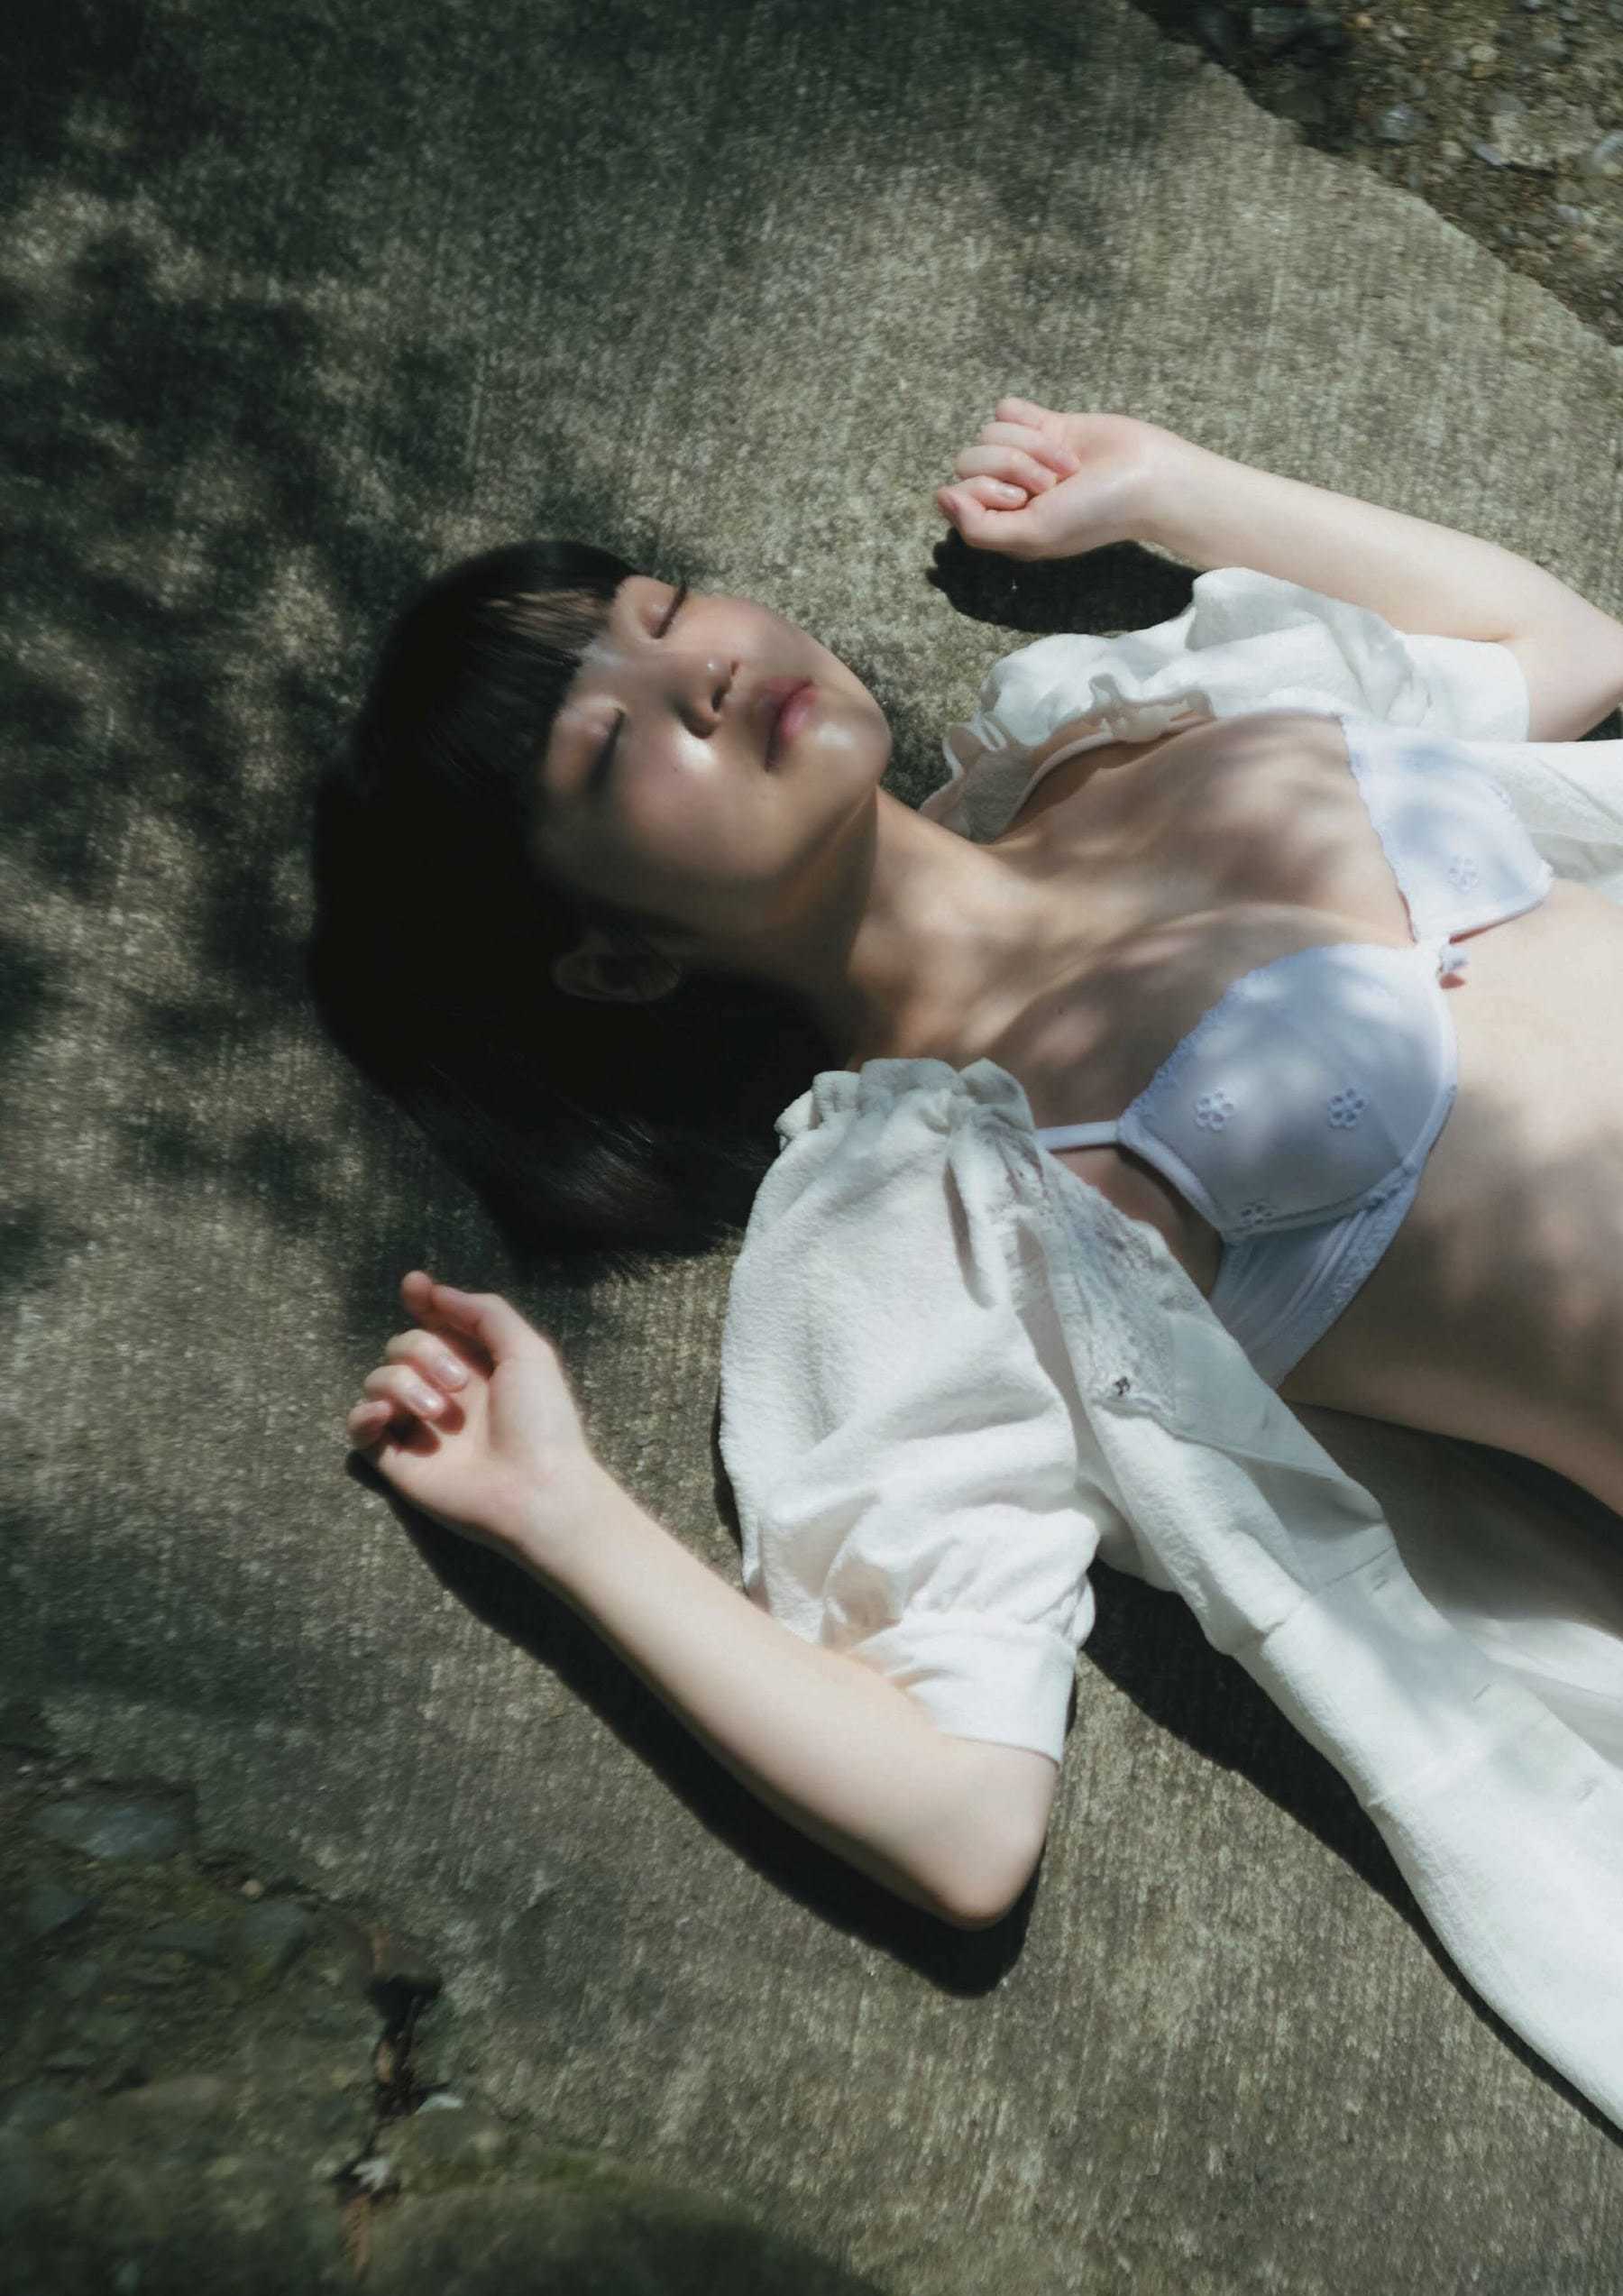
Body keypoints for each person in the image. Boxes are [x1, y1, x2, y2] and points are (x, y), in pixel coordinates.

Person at [317, 399, 1623, 2122]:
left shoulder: (1126, 715)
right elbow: (960, 1821)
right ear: (615, 961)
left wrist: (1169, 486)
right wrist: (565, 1518)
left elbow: (1560, 654)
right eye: (610, 741)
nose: (700, 671)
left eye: (663, 609)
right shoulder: (919, 1195)